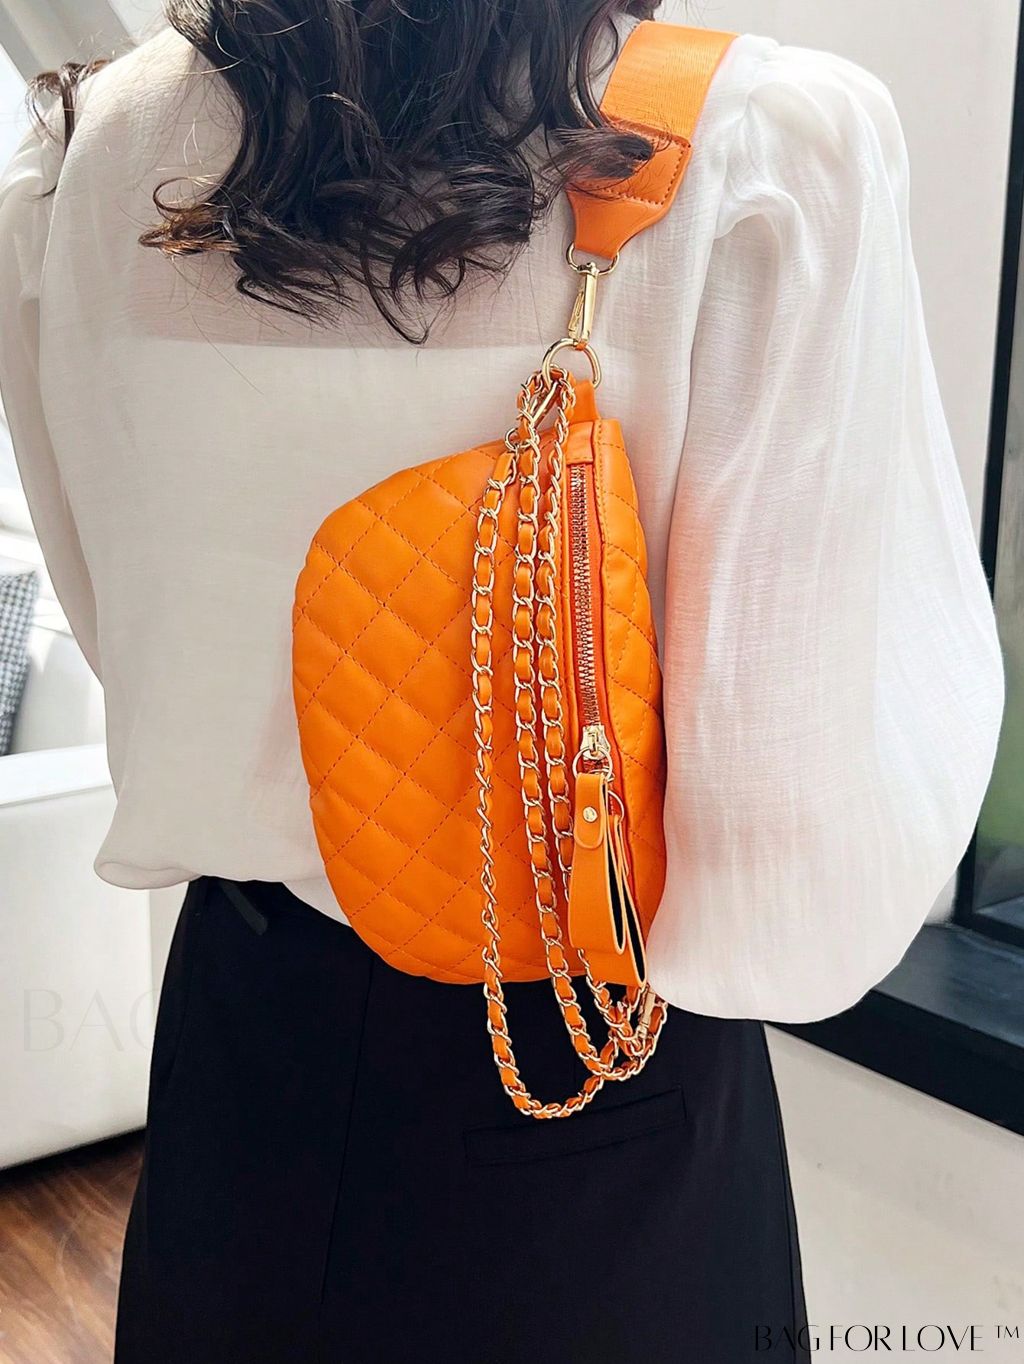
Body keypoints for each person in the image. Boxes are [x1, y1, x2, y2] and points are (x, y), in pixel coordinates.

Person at [0, 3, 1004, 1360]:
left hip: (245, 1048)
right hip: (592, 1058)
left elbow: (114, 613)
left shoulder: (88, 150)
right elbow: (806, 834)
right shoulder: (752, 148)